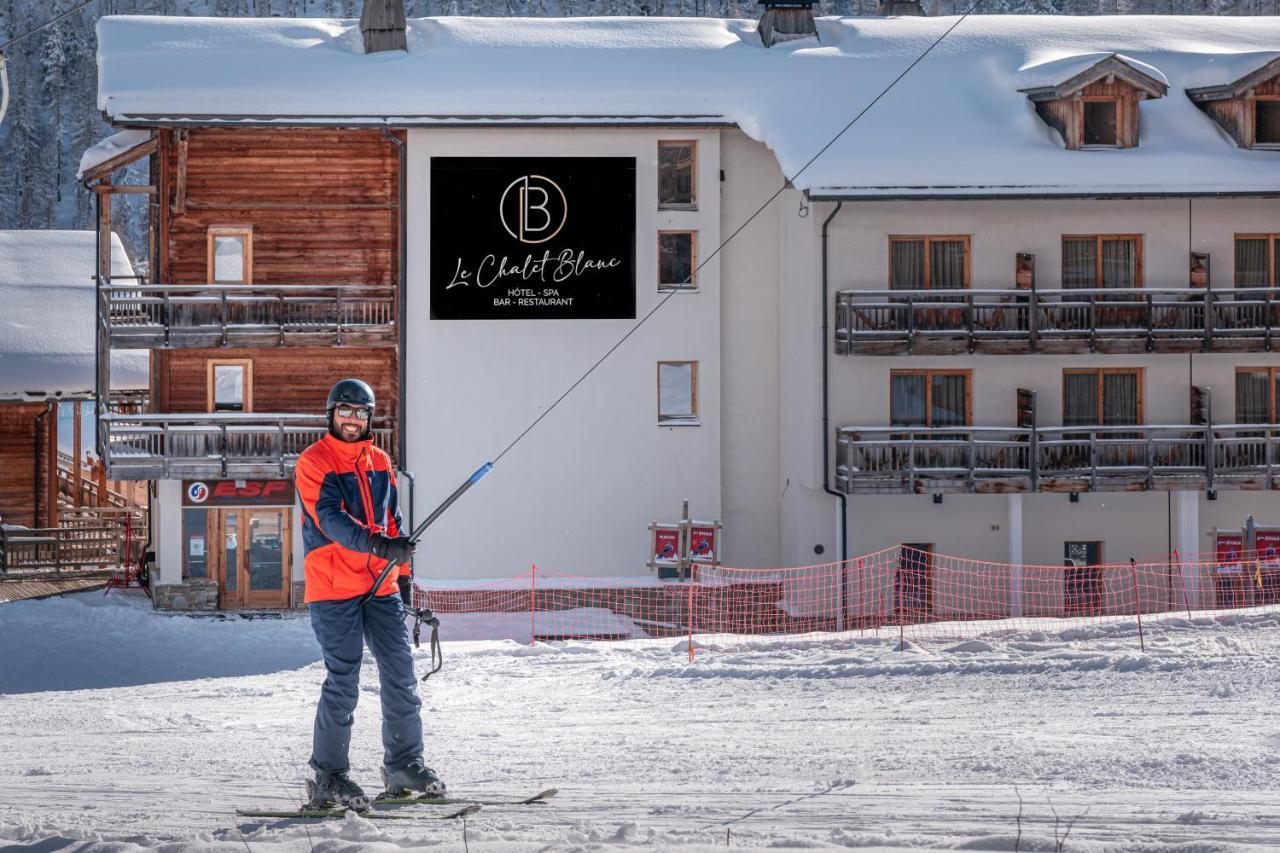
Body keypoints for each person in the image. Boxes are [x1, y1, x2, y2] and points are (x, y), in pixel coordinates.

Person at [294, 378, 446, 810]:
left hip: (380, 587)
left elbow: (393, 523)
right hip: (333, 588)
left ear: (369, 418)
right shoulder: (314, 461)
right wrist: (379, 544)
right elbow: (330, 520)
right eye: (345, 411)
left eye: (361, 413)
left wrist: (402, 576)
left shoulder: (379, 460)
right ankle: (329, 777)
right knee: (344, 680)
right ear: (331, 414)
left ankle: (403, 766)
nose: (352, 419)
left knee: (400, 674)